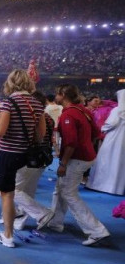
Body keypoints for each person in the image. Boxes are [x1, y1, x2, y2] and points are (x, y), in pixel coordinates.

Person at [0, 69, 46, 248]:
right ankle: (11, 223)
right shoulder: (36, 104)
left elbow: (0, 132)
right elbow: (40, 135)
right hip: (23, 154)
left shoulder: (8, 103)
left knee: (7, 195)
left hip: (8, 153)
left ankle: (8, 236)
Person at [46, 84, 111, 246]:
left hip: (76, 158)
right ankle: (55, 222)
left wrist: (63, 163)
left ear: (63, 95)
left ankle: (96, 230)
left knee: (69, 193)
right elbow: (96, 134)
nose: (56, 97)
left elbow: (71, 143)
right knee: (61, 189)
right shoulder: (84, 110)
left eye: (57, 94)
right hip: (87, 155)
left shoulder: (70, 114)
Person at [11, 91, 55, 231]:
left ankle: (42, 213)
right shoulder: (48, 118)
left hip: (27, 157)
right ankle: (19, 221)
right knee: (28, 191)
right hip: (42, 158)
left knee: (13, 189)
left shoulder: (30, 116)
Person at [86, 89, 125, 195]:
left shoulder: (117, 110)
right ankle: (118, 187)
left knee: (106, 160)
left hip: (114, 138)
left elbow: (111, 123)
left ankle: (102, 185)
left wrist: (102, 129)